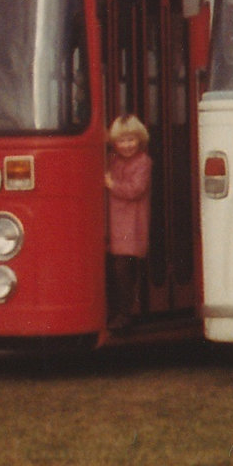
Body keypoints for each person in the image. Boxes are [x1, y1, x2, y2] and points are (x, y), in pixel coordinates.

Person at [103, 114, 152, 327]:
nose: (127, 145)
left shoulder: (143, 162)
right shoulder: (112, 160)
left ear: (140, 140)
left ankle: (126, 314)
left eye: (131, 140)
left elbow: (136, 189)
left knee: (124, 272)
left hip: (131, 227)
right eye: (122, 141)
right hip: (113, 225)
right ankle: (115, 311)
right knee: (114, 271)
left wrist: (112, 185)